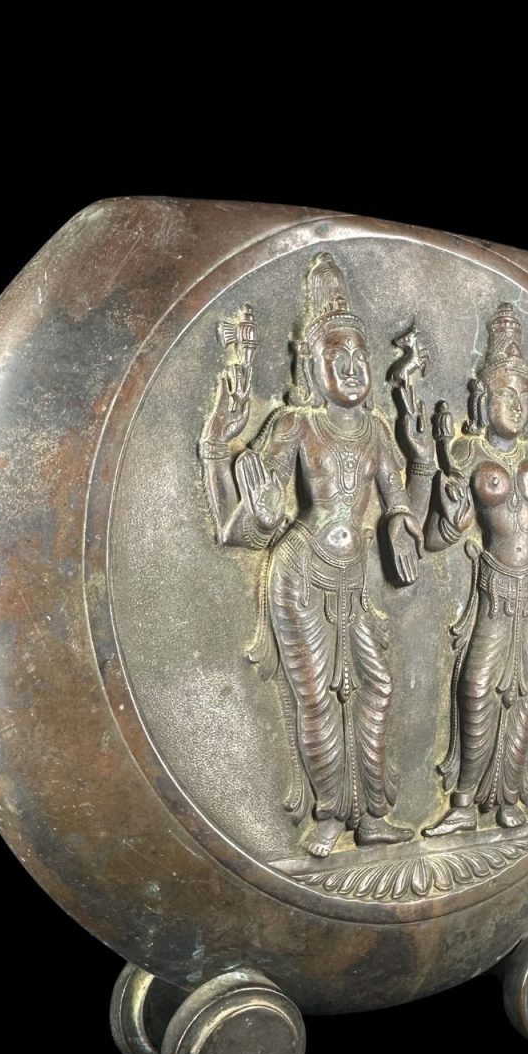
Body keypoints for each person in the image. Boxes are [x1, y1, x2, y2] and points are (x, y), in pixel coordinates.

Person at [199, 253, 434, 858]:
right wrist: (257, 503)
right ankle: (330, 815)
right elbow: (246, 521)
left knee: (376, 689)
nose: (352, 368)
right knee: (317, 696)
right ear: (313, 366)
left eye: (359, 356)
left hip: (352, 579)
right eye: (337, 357)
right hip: (300, 572)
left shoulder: (377, 431)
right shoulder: (295, 425)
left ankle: (372, 815)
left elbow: (399, 504)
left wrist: (407, 510)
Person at [422, 302, 528, 837]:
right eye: (506, 394)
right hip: (495, 591)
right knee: (477, 688)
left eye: (524, 396)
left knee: (525, 695)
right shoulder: (466, 455)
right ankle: (464, 801)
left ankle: (509, 798)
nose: (517, 405)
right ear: (482, 400)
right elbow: (435, 540)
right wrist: (449, 518)